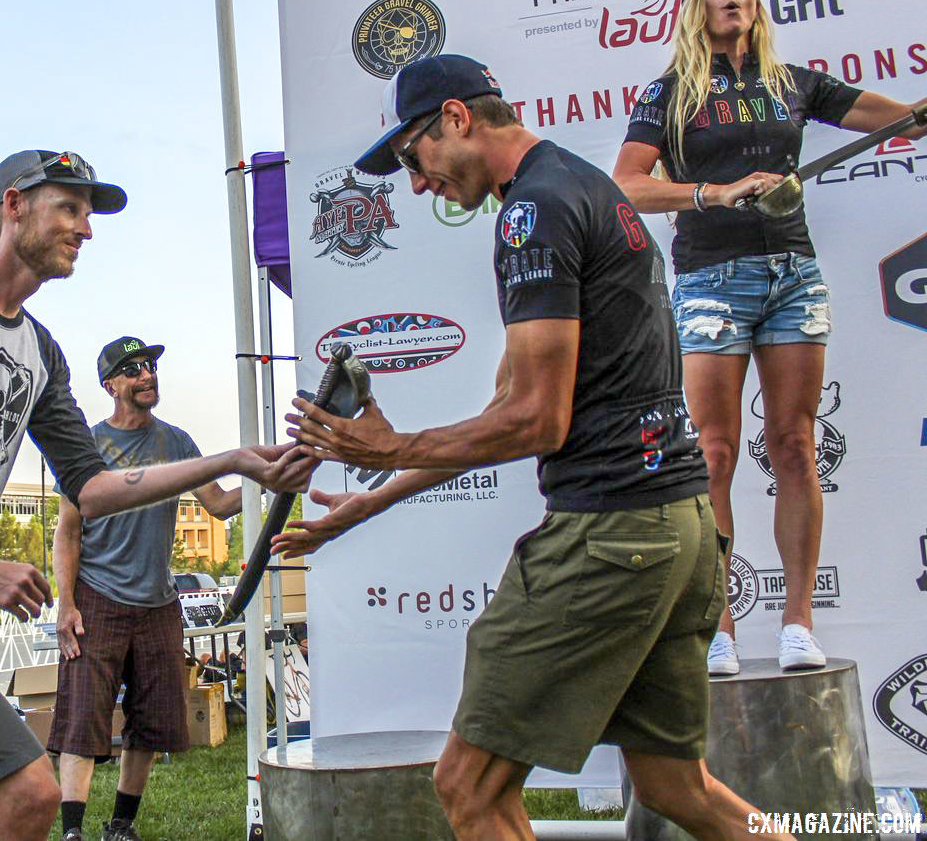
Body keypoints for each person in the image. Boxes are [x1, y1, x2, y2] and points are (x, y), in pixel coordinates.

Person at [272, 54, 792, 840]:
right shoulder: (582, 187)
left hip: (611, 536)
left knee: (471, 788)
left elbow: (536, 423)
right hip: (679, 531)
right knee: (679, 786)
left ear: (454, 119)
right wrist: (371, 503)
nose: (417, 185)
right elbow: (504, 407)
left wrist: (386, 448)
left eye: (413, 159)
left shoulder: (533, 214)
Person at [0, 150, 313, 841]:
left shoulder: (41, 352)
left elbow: (94, 487)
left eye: (88, 214)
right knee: (28, 796)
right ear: (13, 206)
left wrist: (231, 460)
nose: (86, 229)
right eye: (69, 208)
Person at [611, 0, 927, 676]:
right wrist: (712, 193)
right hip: (710, 280)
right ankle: (717, 627)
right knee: (715, 454)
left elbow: (889, 117)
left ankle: (798, 624)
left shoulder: (790, 83)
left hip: (793, 275)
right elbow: (627, 185)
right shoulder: (669, 92)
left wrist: (915, 117)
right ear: (697, 4)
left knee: (794, 444)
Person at [49, 336, 247, 841]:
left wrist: (269, 476)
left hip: (159, 601)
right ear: (110, 384)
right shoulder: (87, 446)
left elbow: (220, 505)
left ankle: (120, 825)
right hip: (97, 596)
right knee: (83, 716)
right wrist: (65, 602)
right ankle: (72, 831)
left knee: (152, 716)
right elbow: (67, 531)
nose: (147, 375)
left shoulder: (175, 442)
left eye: (151, 366)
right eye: (133, 369)